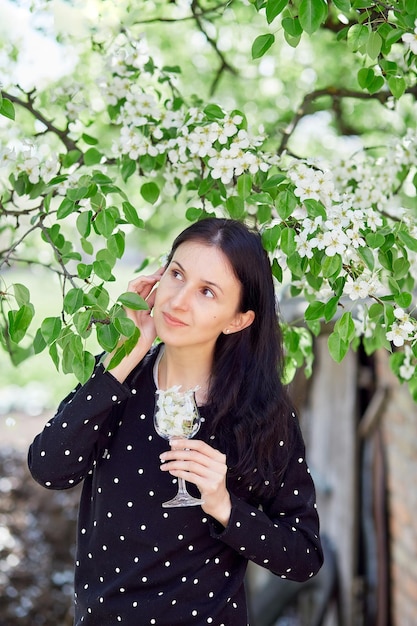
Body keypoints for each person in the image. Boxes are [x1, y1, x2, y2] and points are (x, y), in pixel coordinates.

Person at [28, 217, 323, 626]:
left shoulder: (259, 413)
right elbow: (49, 468)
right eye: (176, 275)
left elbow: (303, 556)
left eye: (206, 292)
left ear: (238, 319)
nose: (178, 300)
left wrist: (225, 507)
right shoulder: (116, 378)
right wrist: (121, 359)